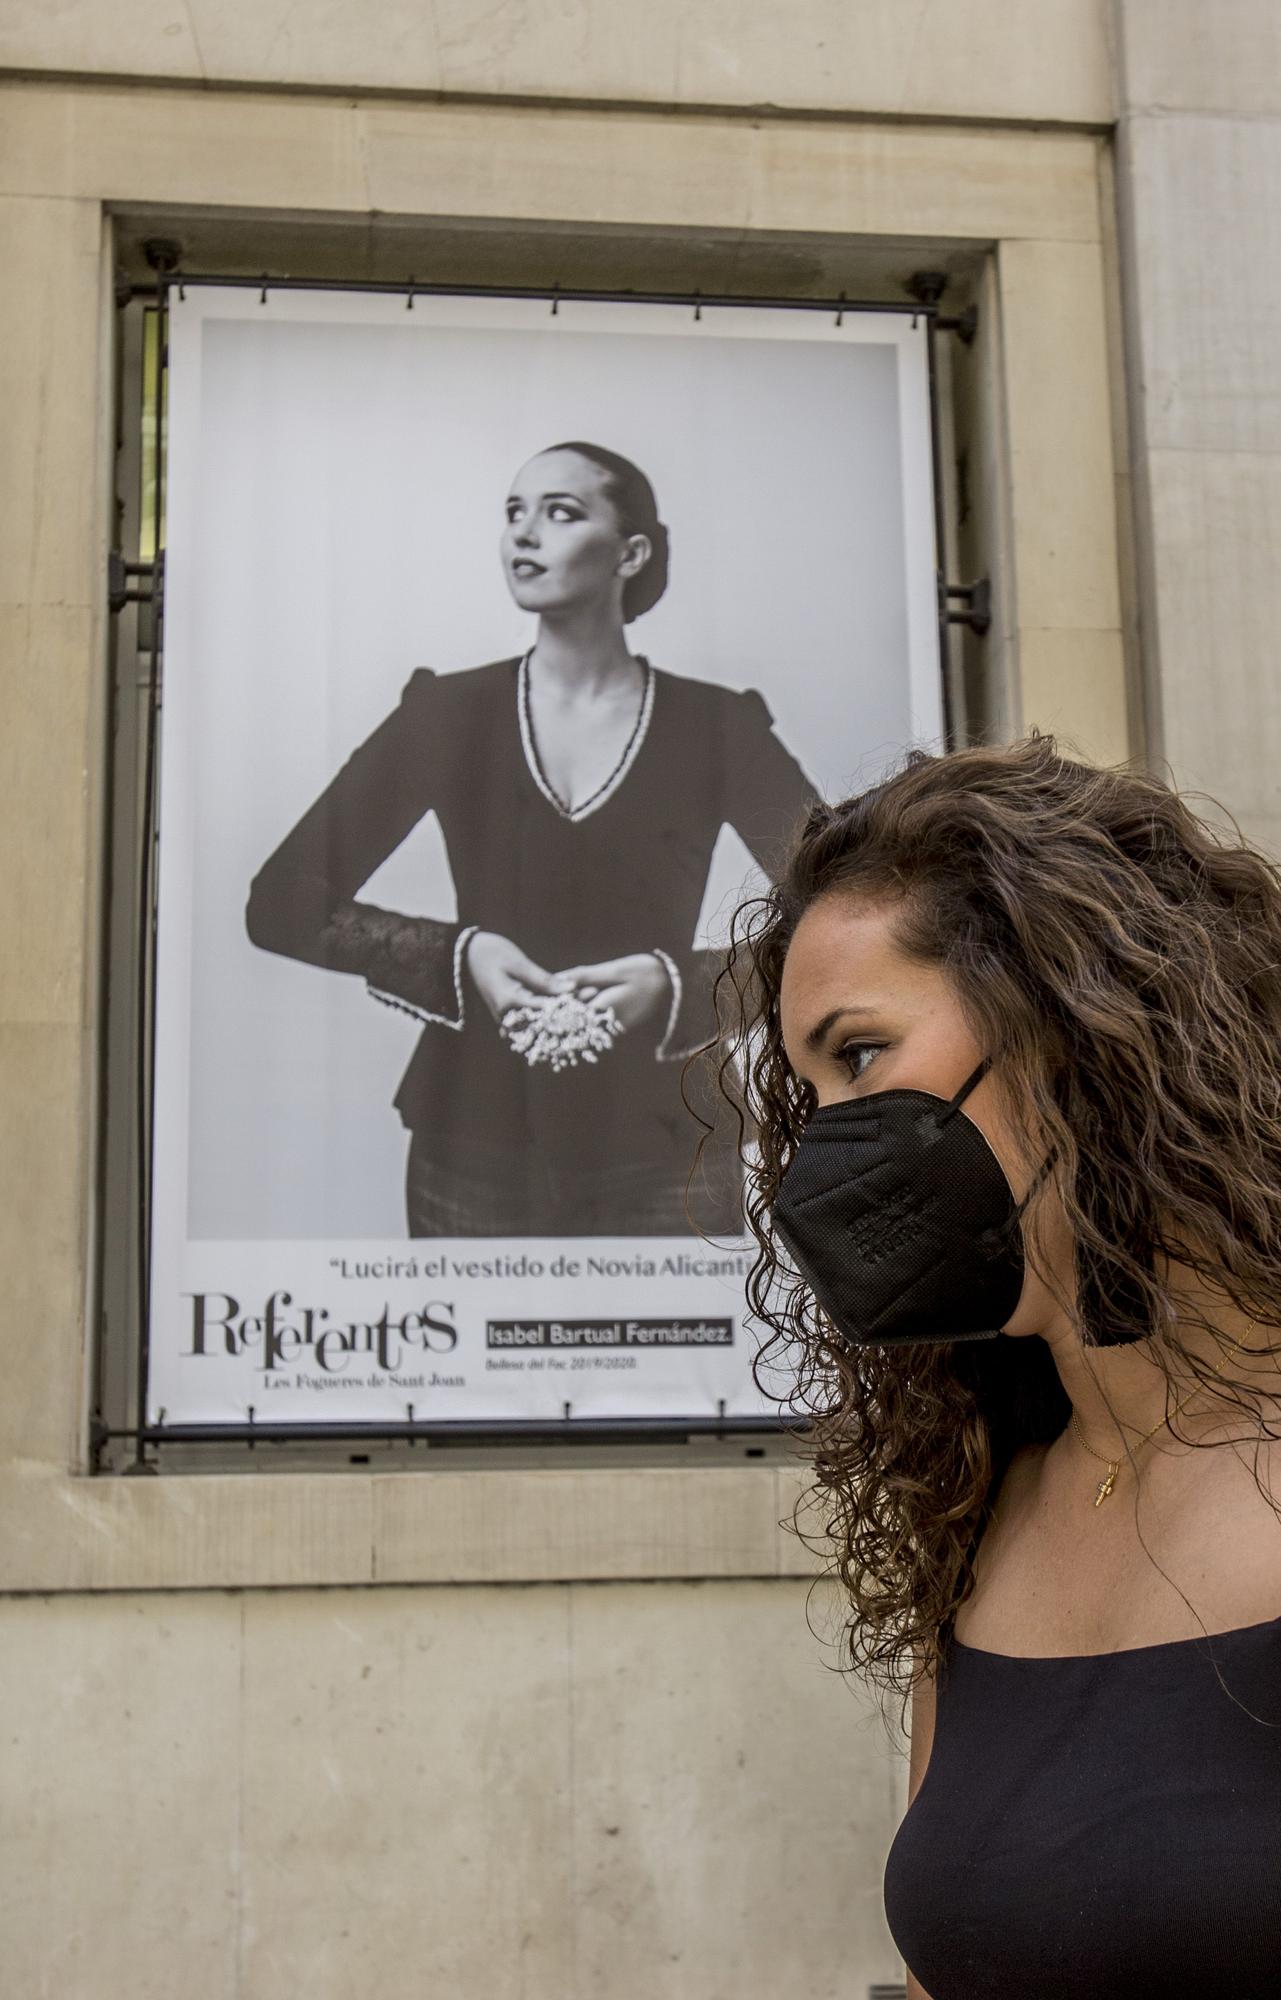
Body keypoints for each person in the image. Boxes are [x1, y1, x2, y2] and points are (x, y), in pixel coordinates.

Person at [719, 730, 1281, 1998]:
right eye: (809, 1092)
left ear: (1074, 1022)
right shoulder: (984, 1507)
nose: (830, 1150)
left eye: (860, 1054)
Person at [246, 440, 817, 1236]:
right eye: (514, 512)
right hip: (472, 1135)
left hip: (668, 1139)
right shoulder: (445, 715)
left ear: (631, 552)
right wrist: (462, 955)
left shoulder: (716, 724)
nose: (524, 534)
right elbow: (281, 902)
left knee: (667, 1364)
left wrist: (675, 984)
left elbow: (838, 916)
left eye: (560, 512)